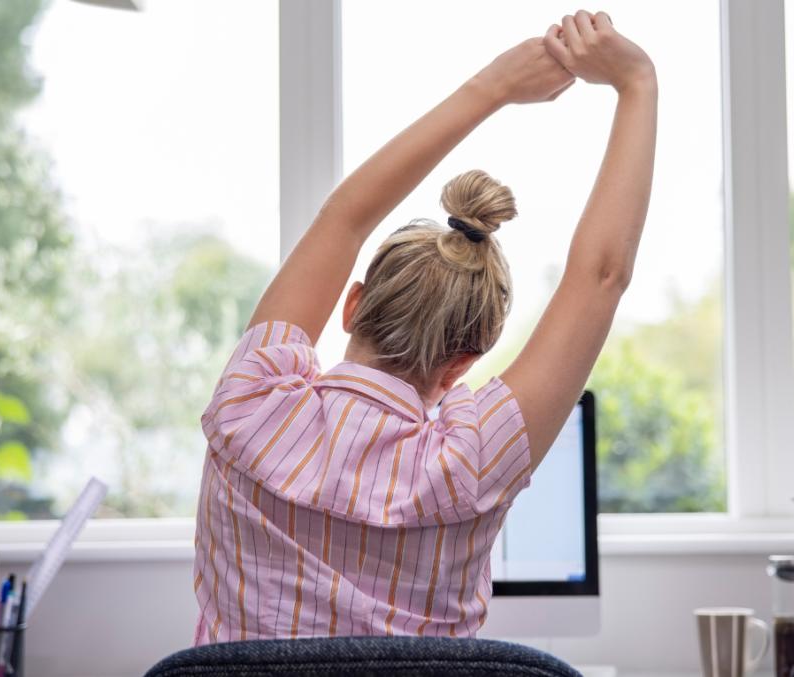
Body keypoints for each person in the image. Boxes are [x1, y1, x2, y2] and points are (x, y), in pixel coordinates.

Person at [193, 9, 657, 643]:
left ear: (351, 304)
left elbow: (343, 220)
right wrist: (637, 84)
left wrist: (493, 86)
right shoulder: (470, 459)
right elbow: (601, 278)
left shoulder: (251, 400)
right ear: (464, 360)